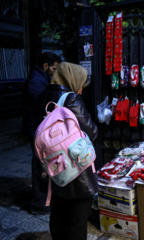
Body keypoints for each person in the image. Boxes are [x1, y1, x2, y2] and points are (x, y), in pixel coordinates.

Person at [33, 62, 98, 240]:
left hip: (54, 168)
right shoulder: (71, 99)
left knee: (58, 216)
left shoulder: (42, 96)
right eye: (81, 84)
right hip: (75, 171)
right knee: (77, 220)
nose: (82, 90)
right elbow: (91, 132)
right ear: (73, 79)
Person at [21, 52, 62, 214]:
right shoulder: (36, 81)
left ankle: (44, 199)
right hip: (35, 129)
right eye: (54, 68)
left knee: (43, 164)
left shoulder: (41, 78)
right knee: (40, 166)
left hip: (38, 128)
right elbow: (45, 104)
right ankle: (39, 203)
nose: (55, 72)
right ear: (46, 67)